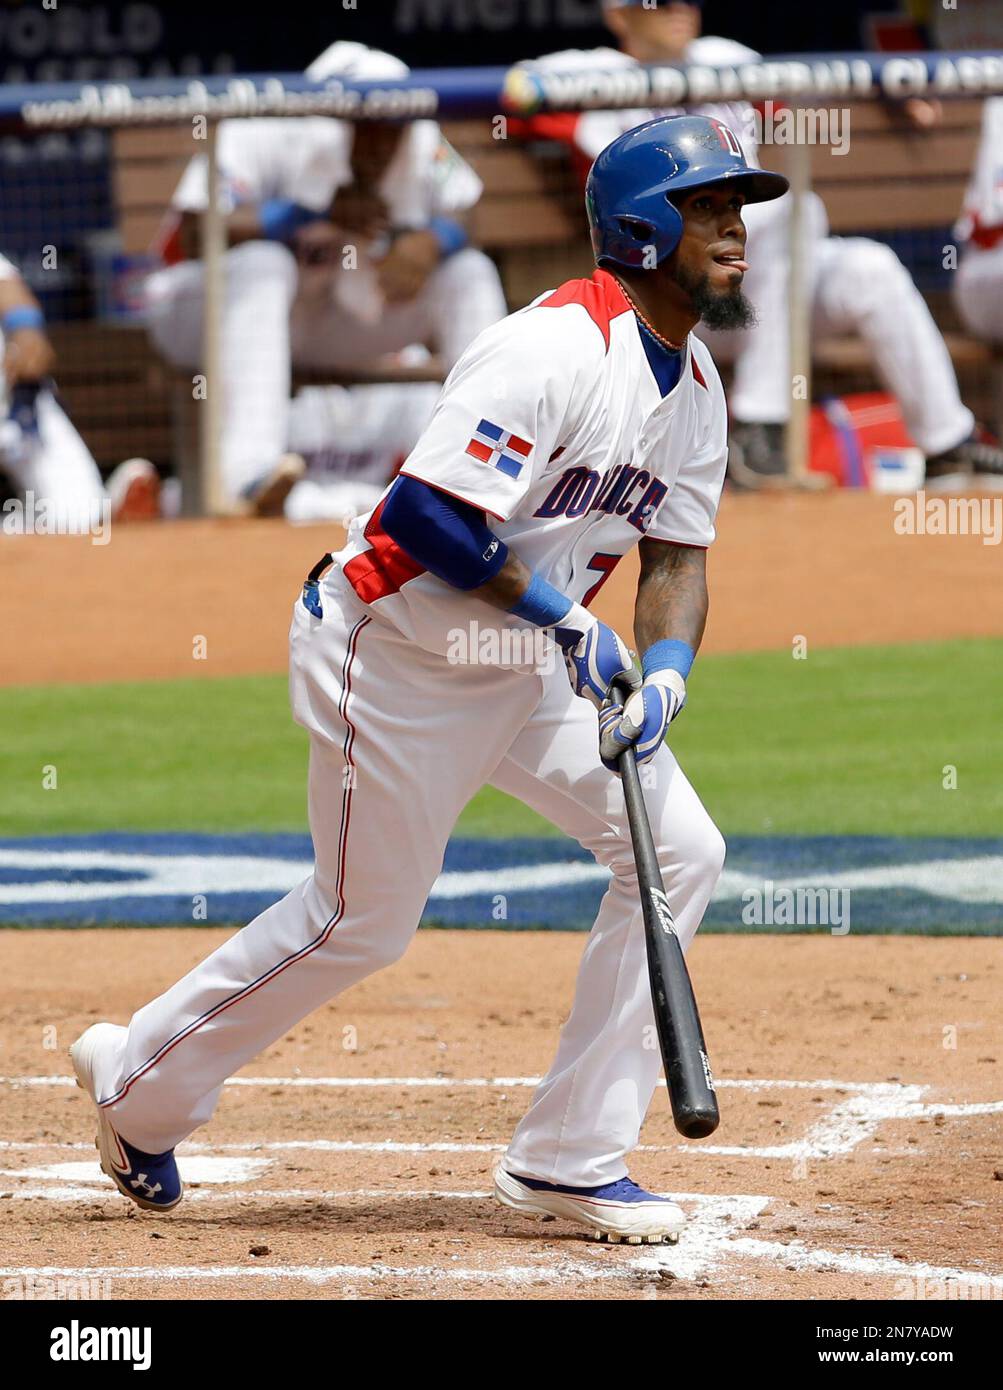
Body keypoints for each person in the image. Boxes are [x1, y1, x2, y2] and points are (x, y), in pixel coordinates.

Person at [70, 114, 786, 1245]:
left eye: (738, 211)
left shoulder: (694, 385)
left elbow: (676, 560)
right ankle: (137, 1087)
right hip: (390, 647)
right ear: (644, 228)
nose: (737, 233)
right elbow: (422, 511)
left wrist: (666, 674)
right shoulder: (551, 348)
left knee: (682, 849)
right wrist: (559, 613)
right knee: (366, 918)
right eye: (711, 210)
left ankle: (568, 1156)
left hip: (525, 665)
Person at [516, 0, 1003, 483]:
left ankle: (946, 442)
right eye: (660, 4)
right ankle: (757, 420)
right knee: (791, 214)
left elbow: (815, 86)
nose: (679, 11)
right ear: (619, 16)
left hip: (758, 290)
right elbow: (515, 97)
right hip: (672, 298)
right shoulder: (590, 71)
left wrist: (896, 89)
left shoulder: (723, 58)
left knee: (869, 268)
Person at [144, 40, 507, 516]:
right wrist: (307, 215)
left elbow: (466, 208)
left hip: (322, 318)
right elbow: (194, 232)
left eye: (391, 128)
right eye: (366, 127)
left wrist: (436, 239)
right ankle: (249, 479)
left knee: (468, 271)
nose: (380, 143)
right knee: (263, 265)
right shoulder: (268, 122)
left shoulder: (419, 134)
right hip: (199, 313)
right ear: (331, 116)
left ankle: (485, 480)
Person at [0, 252, 158, 530]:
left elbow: (10, 291)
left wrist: (26, 331)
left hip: (17, 406)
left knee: (78, 518)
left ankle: (94, 515)